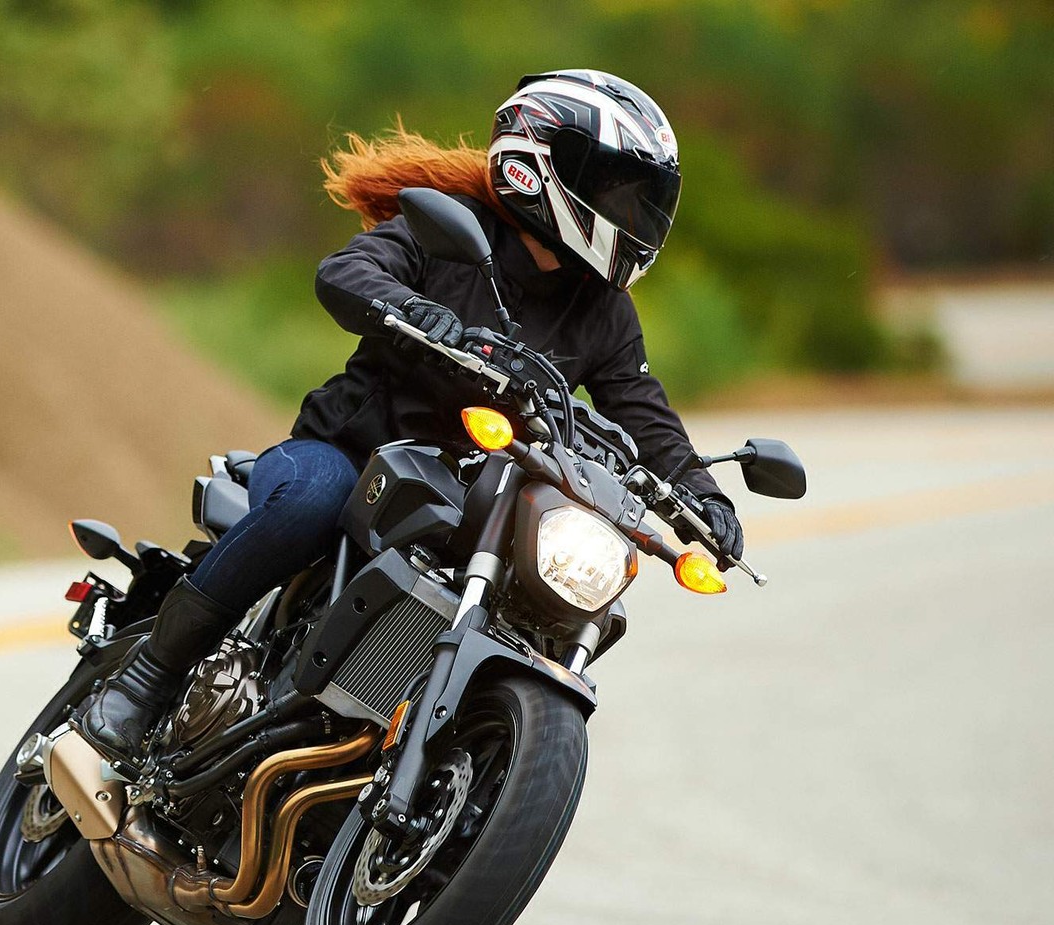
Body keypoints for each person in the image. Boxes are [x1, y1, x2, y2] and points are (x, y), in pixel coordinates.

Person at [80, 69, 743, 762]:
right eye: (618, 195)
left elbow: (645, 413)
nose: (631, 217)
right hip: (349, 453)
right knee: (311, 498)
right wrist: (421, 314)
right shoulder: (446, 228)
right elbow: (346, 274)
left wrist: (704, 494)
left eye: (643, 202)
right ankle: (150, 675)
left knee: (550, 591)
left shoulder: (604, 312)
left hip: (473, 502)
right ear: (544, 166)